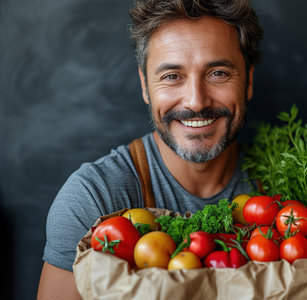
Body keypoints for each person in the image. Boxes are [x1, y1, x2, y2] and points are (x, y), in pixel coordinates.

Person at [37, 0, 263, 298]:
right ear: (145, 85)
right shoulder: (94, 198)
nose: (196, 101)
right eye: (172, 76)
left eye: (218, 73)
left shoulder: (292, 183)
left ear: (248, 80)